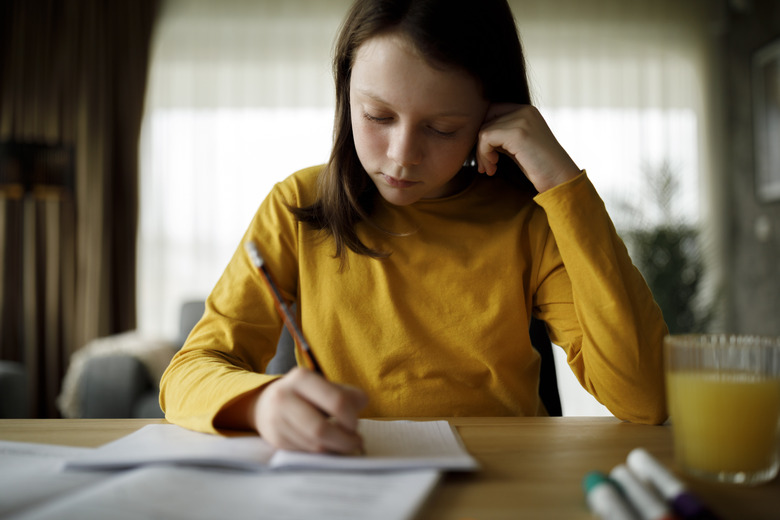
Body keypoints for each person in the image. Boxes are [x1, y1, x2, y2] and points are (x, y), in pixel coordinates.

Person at [159, 0, 669, 455]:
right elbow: (188, 372)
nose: (402, 157)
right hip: (351, 482)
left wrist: (562, 181)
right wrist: (262, 404)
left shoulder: (528, 222)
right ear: (346, 94)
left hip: (499, 487)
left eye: (441, 128)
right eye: (378, 116)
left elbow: (646, 398)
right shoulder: (299, 205)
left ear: (490, 117)